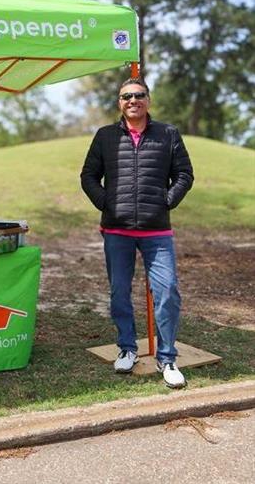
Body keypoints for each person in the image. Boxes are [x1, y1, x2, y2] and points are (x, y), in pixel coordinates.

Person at [80, 77, 194, 388]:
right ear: (119, 102)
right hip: (116, 230)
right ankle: (127, 349)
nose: (133, 100)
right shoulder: (105, 136)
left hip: (157, 231)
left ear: (148, 99)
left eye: (139, 94)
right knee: (119, 292)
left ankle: (167, 358)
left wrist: (165, 203)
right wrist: (108, 204)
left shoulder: (168, 134)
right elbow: (89, 176)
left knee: (167, 290)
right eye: (126, 96)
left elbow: (184, 174)